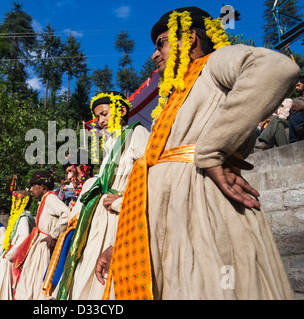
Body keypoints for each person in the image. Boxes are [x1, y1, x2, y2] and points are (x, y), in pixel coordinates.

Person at [97, 7, 299, 300]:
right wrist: (121, 243)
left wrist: (215, 148)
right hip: (165, 219)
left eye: (161, 43)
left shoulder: (213, 64)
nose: (155, 55)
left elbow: (277, 68)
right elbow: (153, 175)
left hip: (203, 202)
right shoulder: (171, 98)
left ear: (189, 38)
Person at [56, 91, 150, 300]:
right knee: (86, 276)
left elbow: (150, 176)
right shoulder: (109, 146)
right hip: (101, 220)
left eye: (104, 114)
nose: (100, 121)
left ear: (122, 110)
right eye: (97, 117)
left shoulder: (137, 134)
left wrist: (123, 202)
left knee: (108, 280)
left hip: (122, 218)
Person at [41, 152, 96, 298]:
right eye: (67, 173)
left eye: (72, 171)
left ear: (84, 168)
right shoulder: (81, 191)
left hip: (86, 245)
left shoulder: (93, 186)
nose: (70, 177)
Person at [13, 171, 69, 300]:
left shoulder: (50, 198)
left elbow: (66, 213)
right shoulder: (46, 199)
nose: (31, 189)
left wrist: (53, 235)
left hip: (44, 246)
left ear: (43, 186)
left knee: (38, 280)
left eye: (34, 186)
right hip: (39, 244)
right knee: (31, 280)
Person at [0, 191, 35, 300]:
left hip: (13, 260)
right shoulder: (18, 217)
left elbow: (24, 238)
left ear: (23, 202)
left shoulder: (24, 219)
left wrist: (10, 254)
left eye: (16, 200)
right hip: (9, 257)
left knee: (7, 291)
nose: (13, 203)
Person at [289, 76, 304, 143]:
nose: (296, 88)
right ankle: (294, 139)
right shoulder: (296, 99)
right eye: (295, 86)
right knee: (292, 113)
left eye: (298, 85)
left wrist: (302, 107)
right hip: (299, 119)